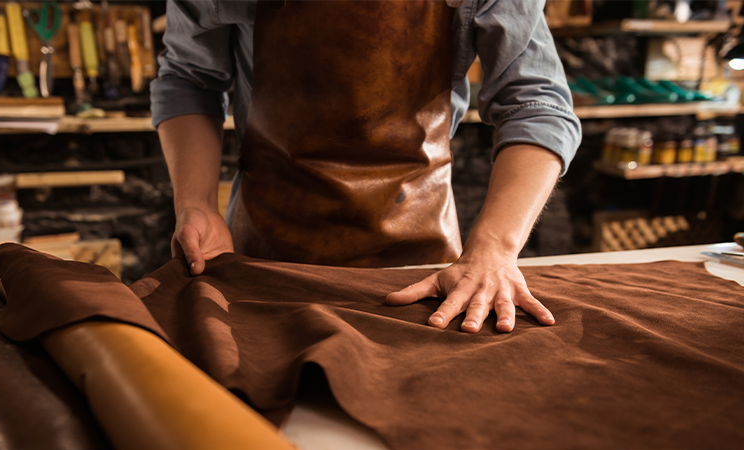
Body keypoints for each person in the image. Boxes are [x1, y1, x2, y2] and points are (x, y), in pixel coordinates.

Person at [151, 0, 582, 334]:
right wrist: (198, 203)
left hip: (421, 274)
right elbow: (189, 79)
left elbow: (536, 105)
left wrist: (495, 248)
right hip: (263, 258)